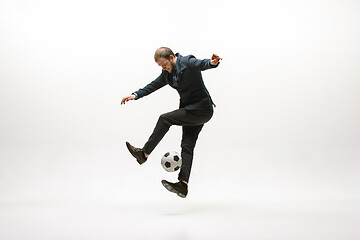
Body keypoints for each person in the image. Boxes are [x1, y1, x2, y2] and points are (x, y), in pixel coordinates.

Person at [121, 47, 222, 198]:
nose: (163, 68)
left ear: (171, 57)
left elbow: (202, 64)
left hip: (202, 110)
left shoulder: (187, 62)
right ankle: (183, 185)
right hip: (189, 110)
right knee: (187, 145)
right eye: (161, 67)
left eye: (164, 65)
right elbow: (153, 85)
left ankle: (144, 154)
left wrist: (212, 63)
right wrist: (135, 95)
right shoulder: (167, 73)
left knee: (165, 118)